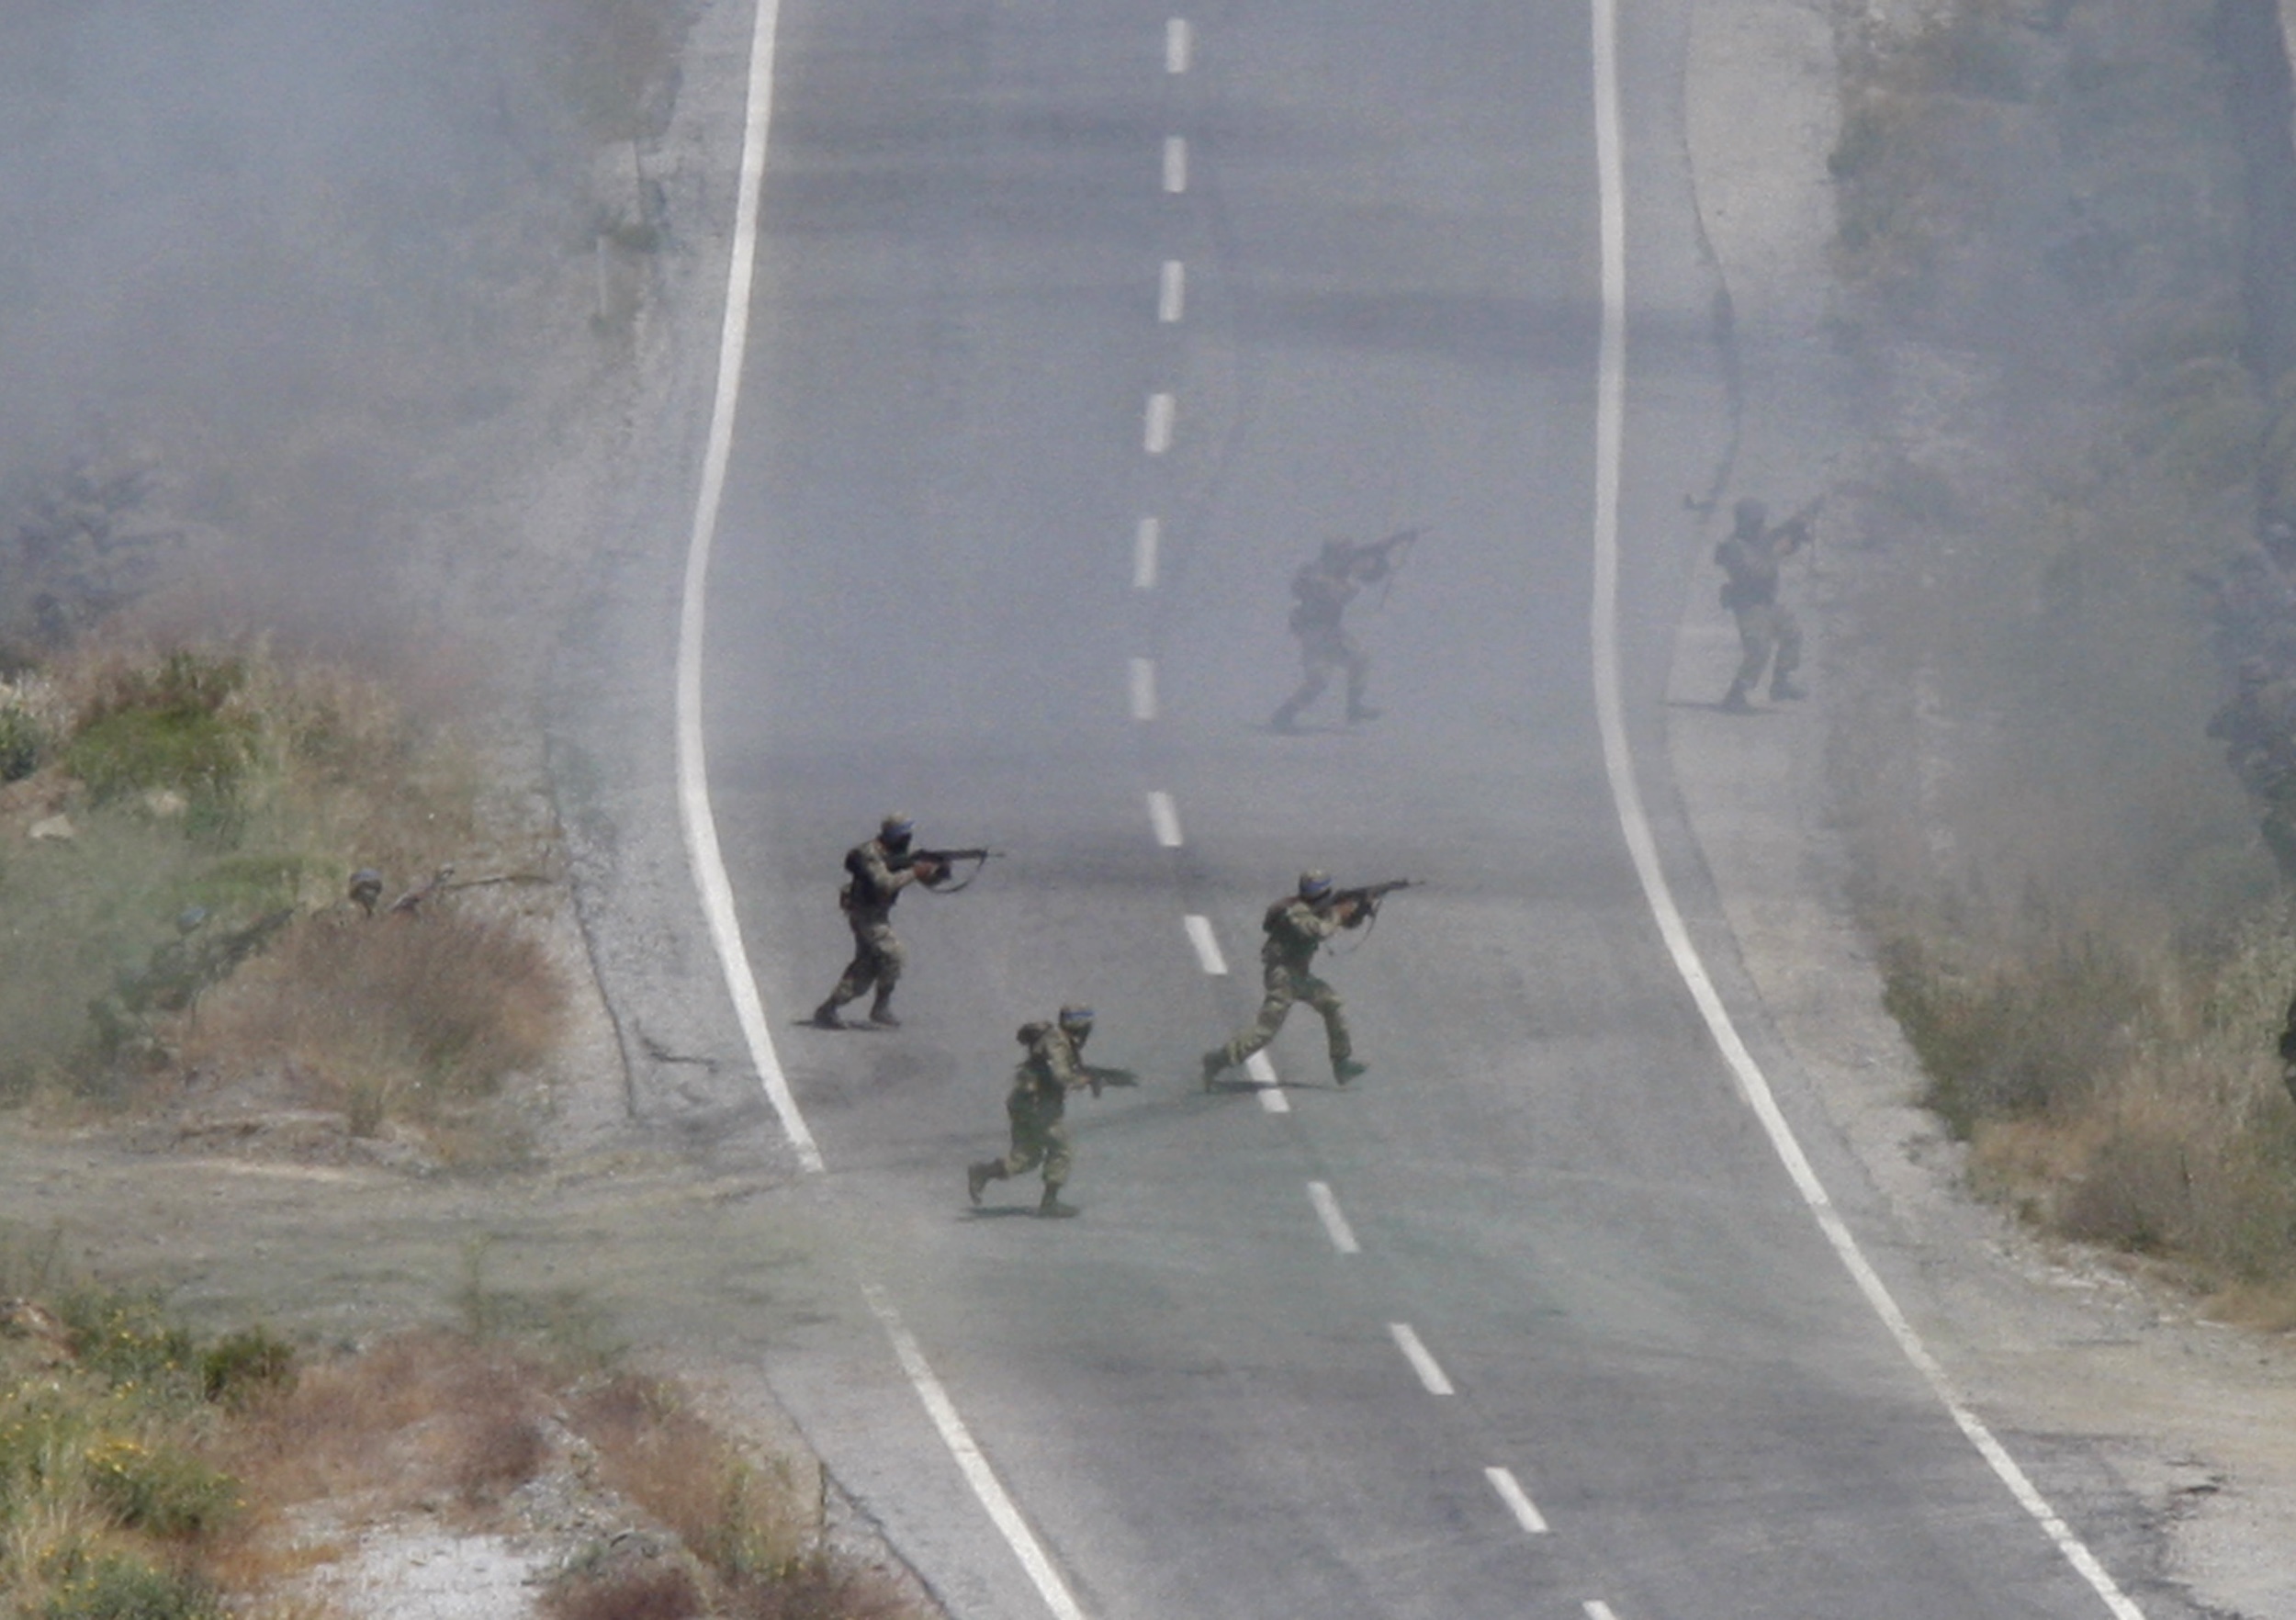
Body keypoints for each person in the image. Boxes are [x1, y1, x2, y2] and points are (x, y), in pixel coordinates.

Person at [1201, 871, 1367, 1089]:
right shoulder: (1296, 912)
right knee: (1265, 1031)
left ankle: (1341, 1063)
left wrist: (1359, 911)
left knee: (1332, 1004)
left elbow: (1343, 923)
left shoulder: (1309, 908)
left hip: (1298, 975)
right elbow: (1320, 930)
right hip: (1284, 977)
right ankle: (1219, 1059)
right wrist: (1338, 913)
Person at [808, 813, 944, 1029]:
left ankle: (828, 1009)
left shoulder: (898, 853)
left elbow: (922, 877)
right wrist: (915, 871)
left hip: (878, 914)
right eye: (903, 834)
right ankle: (880, 1007)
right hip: (866, 915)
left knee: (865, 968)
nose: (907, 838)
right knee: (894, 955)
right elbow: (885, 884)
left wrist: (935, 871)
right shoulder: (869, 854)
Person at [969, 1005, 1099, 1218]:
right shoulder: (1058, 1042)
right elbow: (1061, 1075)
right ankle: (1050, 1203)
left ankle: (983, 1172)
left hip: (1025, 1102)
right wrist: (1081, 1080)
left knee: (1026, 1158)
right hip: (1038, 1105)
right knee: (1060, 1149)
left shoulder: (1057, 1039)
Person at [1271, 534, 1408, 733]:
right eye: (1344, 553)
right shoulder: (1317, 575)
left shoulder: (1338, 570)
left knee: (1355, 661)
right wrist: (1356, 576)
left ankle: (1352, 707)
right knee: (1321, 678)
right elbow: (1339, 594)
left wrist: (1395, 541)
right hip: (1314, 632)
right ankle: (1285, 715)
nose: (1349, 557)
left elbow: (1372, 554)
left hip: (1329, 631)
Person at [1713, 497, 1811, 713]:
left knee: (1792, 633)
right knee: (1758, 649)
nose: (1760, 526)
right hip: (1749, 605)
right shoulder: (1734, 547)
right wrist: (1777, 552)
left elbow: (1778, 539)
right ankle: (1736, 696)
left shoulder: (1760, 536)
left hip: (1768, 602)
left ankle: (1781, 683)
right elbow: (1756, 573)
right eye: (1756, 522)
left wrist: (1795, 531)